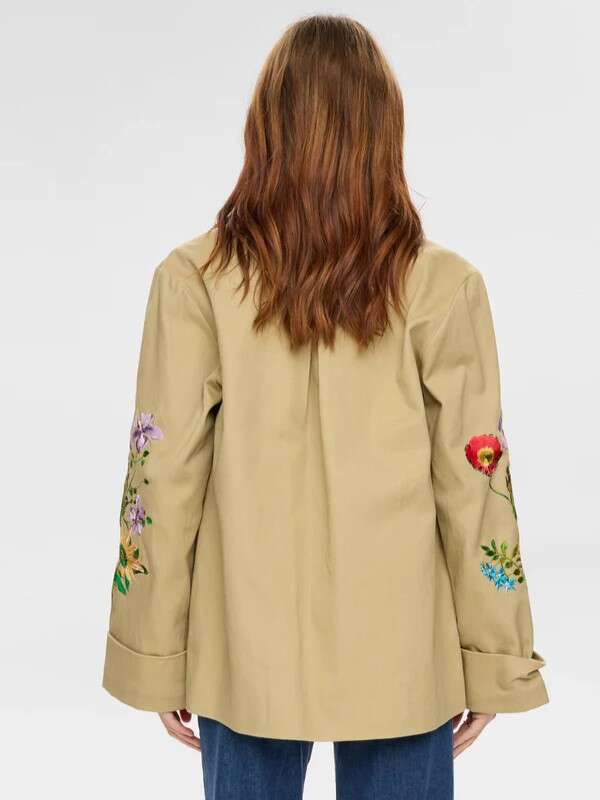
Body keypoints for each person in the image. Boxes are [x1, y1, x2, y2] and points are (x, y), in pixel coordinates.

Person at [102, 14, 548, 799]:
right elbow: (476, 486)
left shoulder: (194, 279)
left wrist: (158, 652)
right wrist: (493, 659)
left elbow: (161, 480)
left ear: (264, 129)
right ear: (385, 130)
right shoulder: (443, 286)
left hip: (243, 651)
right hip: (403, 653)